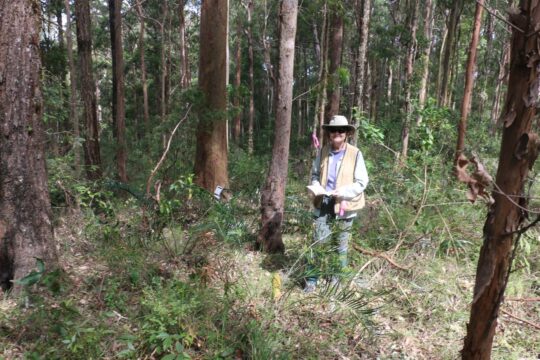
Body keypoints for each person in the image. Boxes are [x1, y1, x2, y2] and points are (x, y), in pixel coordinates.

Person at [305, 115, 369, 292]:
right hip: (324, 203)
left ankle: (336, 281)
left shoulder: (355, 154)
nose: (337, 133)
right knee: (317, 243)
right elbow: (315, 175)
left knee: (341, 245)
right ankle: (311, 281)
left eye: (341, 130)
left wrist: (344, 192)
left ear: (347, 133)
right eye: (333, 130)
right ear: (329, 133)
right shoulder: (323, 151)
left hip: (344, 205)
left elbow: (362, 181)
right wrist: (317, 186)